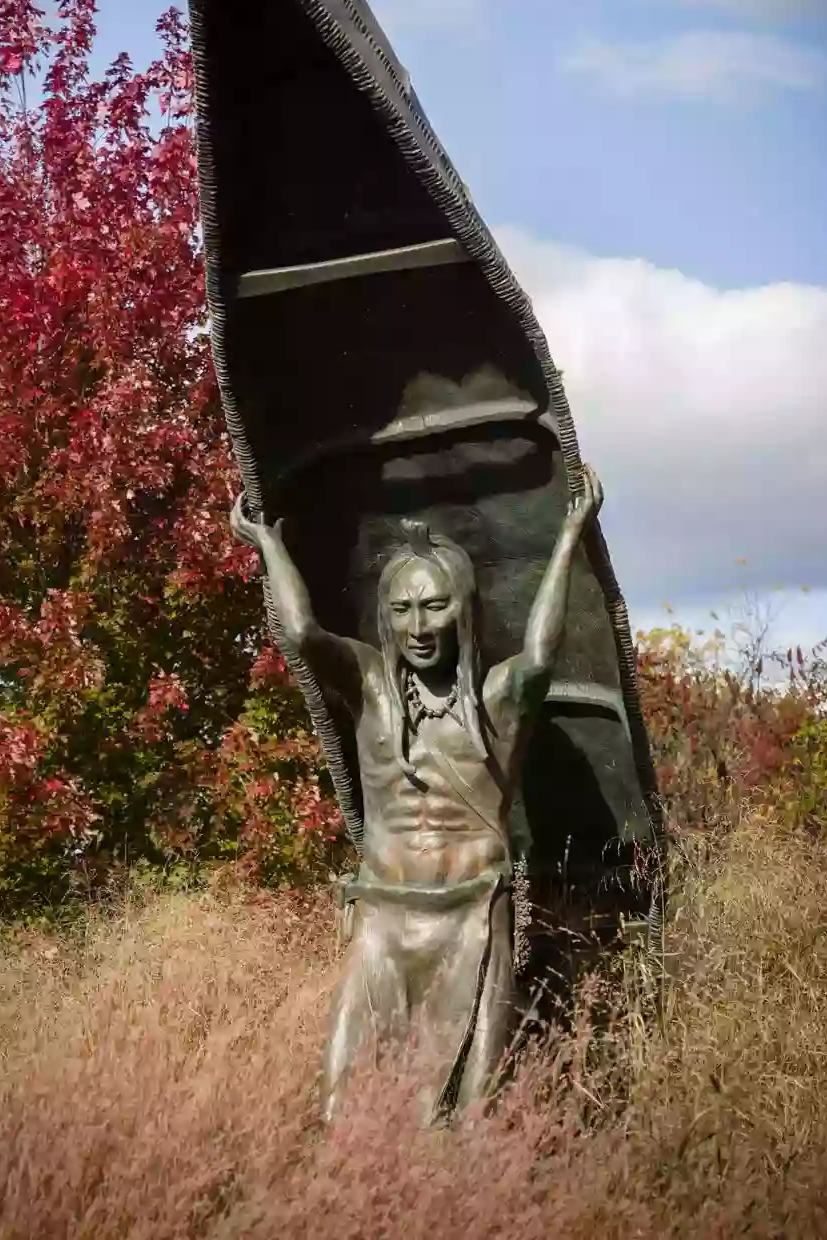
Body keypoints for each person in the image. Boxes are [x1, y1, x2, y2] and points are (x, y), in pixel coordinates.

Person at [230, 464, 604, 1122]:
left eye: (435, 605)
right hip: (382, 919)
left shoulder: (495, 703)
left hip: (470, 920)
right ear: (386, 615)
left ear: (464, 607)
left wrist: (569, 535)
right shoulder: (371, 688)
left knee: (467, 1110)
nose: (419, 625)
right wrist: (269, 547)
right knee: (339, 1101)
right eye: (402, 609)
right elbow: (302, 636)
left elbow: (541, 659)